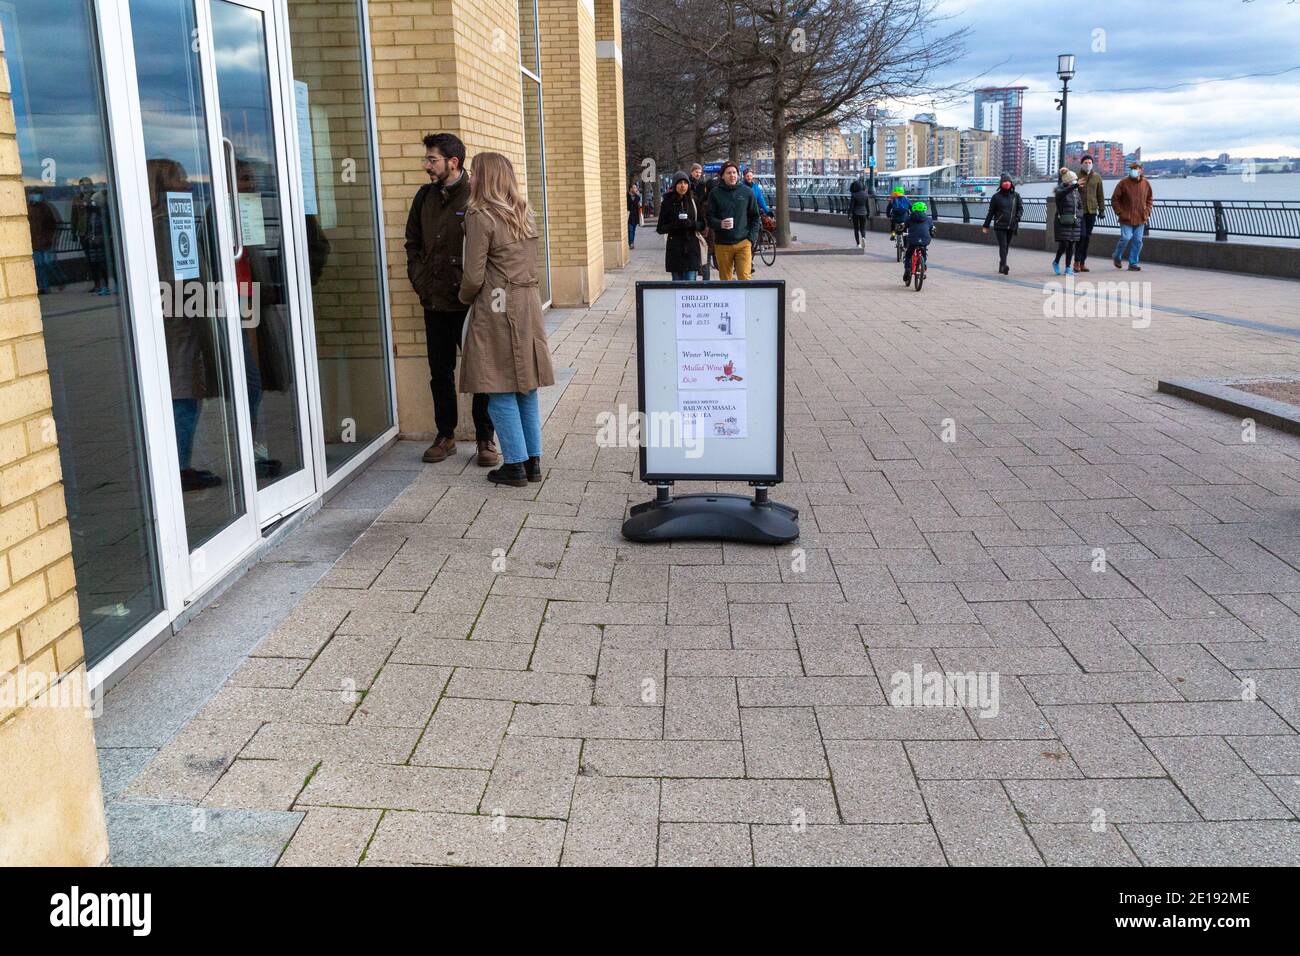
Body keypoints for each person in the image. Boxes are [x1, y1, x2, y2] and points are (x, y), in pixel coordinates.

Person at [458, 152, 555, 487]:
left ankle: (513, 465)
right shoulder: (524, 212)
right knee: (525, 386)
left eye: (473, 173)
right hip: (527, 302)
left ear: (485, 178)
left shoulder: (479, 215)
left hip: (497, 304)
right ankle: (533, 462)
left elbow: (472, 275)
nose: (470, 178)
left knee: (496, 385)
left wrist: (464, 299)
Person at [406, 132, 499, 466]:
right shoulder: (424, 197)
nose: (426, 166)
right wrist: (419, 280)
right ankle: (445, 435)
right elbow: (412, 243)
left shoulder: (478, 197)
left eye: (432, 160)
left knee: (480, 373)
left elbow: (492, 249)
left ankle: (485, 439)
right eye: (427, 159)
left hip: (471, 303)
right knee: (439, 371)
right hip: (434, 302)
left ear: (453, 162)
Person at [706, 160, 760, 280]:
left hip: (743, 243)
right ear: (722, 176)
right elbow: (709, 218)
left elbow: (755, 216)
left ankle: (745, 299)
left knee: (745, 278)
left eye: (734, 172)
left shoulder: (747, 192)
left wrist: (751, 238)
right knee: (726, 280)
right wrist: (720, 224)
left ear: (738, 174)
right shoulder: (715, 193)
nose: (732, 175)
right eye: (729, 173)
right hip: (722, 243)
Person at [657, 170, 706, 280]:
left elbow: (702, 225)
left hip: (692, 248)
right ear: (675, 185)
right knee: (677, 286)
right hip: (675, 249)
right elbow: (660, 228)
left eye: (685, 183)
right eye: (679, 183)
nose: (683, 186)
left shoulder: (694, 201)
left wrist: (691, 224)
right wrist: (675, 225)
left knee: (690, 285)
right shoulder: (667, 202)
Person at [1111, 161, 1153, 271]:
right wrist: (1120, 212)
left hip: (1141, 217)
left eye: (1136, 168)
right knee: (1125, 237)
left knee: (1138, 241)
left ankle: (1133, 263)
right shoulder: (1123, 183)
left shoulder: (1146, 183)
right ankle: (1117, 256)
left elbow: (1149, 199)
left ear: (1141, 170)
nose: (1134, 170)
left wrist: (1147, 211)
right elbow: (1115, 199)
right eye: (1132, 169)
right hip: (1126, 218)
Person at [981, 174, 1023, 275]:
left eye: (1008, 182)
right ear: (1001, 184)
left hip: (1011, 225)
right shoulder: (996, 197)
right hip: (1000, 225)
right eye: (1004, 182)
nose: (1007, 184)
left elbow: (1020, 208)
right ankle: (1004, 266)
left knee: (1006, 246)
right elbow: (991, 212)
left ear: (1011, 183)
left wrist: (1017, 217)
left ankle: (1001, 264)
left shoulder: (1016, 196)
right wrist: (986, 225)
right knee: (1003, 245)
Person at [1074, 154, 1106, 272]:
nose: (1087, 164)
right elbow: (1070, 191)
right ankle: (1076, 262)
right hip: (1080, 211)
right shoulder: (1076, 176)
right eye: (1085, 163)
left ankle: (1082, 262)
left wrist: (1101, 209)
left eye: (1089, 163)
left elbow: (1100, 194)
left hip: (1092, 211)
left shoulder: (1097, 177)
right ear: (1082, 164)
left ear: (1092, 164)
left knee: (1087, 238)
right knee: (1081, 236)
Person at [1052, 167, 1082, 275]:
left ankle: (1068, 267)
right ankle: (1056, 261)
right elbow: (1064, 192)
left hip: (1074, 222)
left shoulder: (1076, 193)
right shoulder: (1060, 191)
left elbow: (1080, 206)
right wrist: (1075, 185)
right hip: (1062, 222)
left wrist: (1079, 216)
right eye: (1073, 180)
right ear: (1068, 181)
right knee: (1064, 244)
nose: (1075, 181)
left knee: (1071, 245)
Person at [900, 200, 934, 284]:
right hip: (925, 239)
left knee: (908, 254)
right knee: (924, 252)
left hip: (912, 239)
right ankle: (923, 266)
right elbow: (932, 230)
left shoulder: (910, 218)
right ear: (925, 210)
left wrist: (900, 229)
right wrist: (931, 235)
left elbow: (903, 226)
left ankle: (907, 269)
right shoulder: (929, 219)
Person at [688, 163, 712, 279]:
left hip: (702, 218)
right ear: (692, 172)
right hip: (693, 217)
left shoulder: (702, 185)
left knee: (704, 250)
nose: (698, 174)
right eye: (696, 171)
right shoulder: (687, 183)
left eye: (700, 172)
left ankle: (703, 273)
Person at [848, 172, 871, 246]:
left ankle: (858, 244)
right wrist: (868, 214)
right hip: (864, 213)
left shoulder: (854, 195)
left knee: (856, 229)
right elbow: (867, 206)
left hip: (856, 213)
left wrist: (849, 215)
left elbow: (851, 206)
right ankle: (863, 238)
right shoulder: (865, 195)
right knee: (863, 228)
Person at [627, 182, 642, 248]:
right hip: (629, 215)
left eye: (636, 187)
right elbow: (629, 205)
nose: (635, 189)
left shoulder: (637, 197)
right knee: (630, 230)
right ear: (630, 189)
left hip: (635, 216)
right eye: (634, 187)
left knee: (633, 230)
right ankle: (631, 243)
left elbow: (638, 203)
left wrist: (637, 195)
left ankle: (631, 242)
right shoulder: (627, 196)